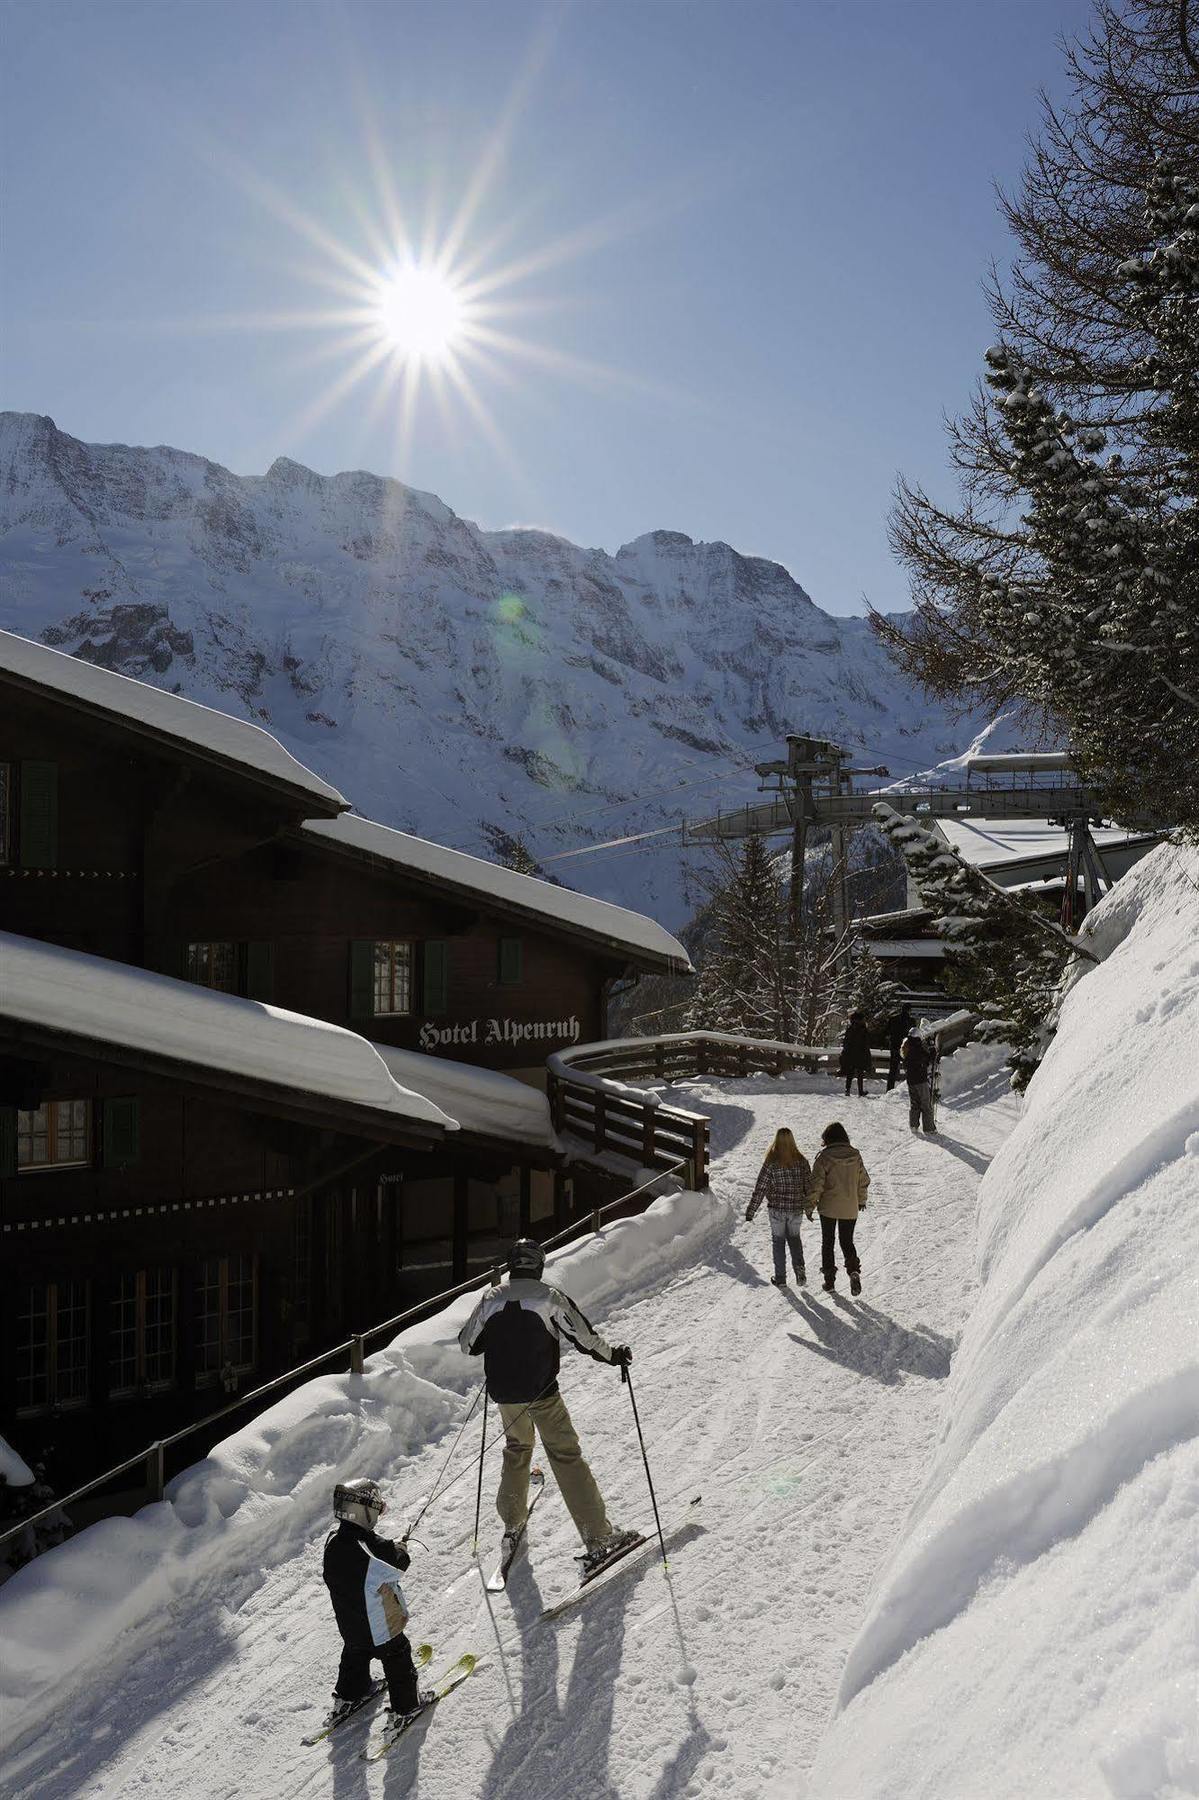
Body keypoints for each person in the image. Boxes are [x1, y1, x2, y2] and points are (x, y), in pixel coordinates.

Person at [458, 1239, 637, 1574]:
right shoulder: (548, 1297)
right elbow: (583, 1337)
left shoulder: (491, 1298)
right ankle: (599, 1537)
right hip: (542, 1393)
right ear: (539, 1265)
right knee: (565, 1455)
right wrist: (613, 1355)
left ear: (511, 1266)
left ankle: (512, 1525)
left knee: (517, 1448)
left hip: (505, 1395)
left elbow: (468, 1343)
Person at [322, 1477, 433, 1728]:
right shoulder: (371, 1548)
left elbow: (365, 1563)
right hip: (380, 1627)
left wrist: (388, 1548)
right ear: (364, 1511)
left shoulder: (332, 1542)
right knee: (397, 1656)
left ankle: (350, 1694)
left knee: (355, 1654)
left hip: (351, 1625)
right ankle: (406, 1708)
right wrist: (401, 1549)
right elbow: (398, 1565)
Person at [805, 1121, 870, 1295]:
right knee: (846, 1241)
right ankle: (853, 1271)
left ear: (827, 1138)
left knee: (828, 1242)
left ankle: (829, 1282)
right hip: (849, 1207)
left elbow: (816, 1184)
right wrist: (861, 1201)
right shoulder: (855, 1155)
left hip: (828, 1207)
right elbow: (863, 1180)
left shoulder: (824, 1157)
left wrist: (810, 1205)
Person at [745, 1126, 812, 1287]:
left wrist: (751, 1211)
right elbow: (809, 1187)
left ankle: (780, 1278)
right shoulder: (801, 1161)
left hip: (776, 1209)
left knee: (778, 1242)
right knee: (795, 1239)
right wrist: (809, 1209)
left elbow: (760, 1187)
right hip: (796, 1209)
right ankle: (799, 1269)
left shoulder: (771, 1161)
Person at [901, 1026, 936, 1133]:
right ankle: (929, 1129)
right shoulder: (917, 1047)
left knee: (914, 1103)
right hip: (920, 1080)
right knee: (926, 1104)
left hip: (911, 1080)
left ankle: (913, 1125)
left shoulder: (906, 1046)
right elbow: (926, 1059)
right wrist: (932, 1052)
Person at [838, 1011, 874, 1097]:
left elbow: (846, 1042)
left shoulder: (850, 1029)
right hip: (860, 1055)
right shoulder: (863, 1029)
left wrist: (845, 1053)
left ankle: (847, 1090)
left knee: (850, 1073)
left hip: (850, 1054)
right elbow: (866, 1044)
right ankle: (860, 1091)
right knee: (860, 1074)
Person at [886, 1004, 914, 1090]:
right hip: (906, 1048)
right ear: (909, 1010)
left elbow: (887, 1032)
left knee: (893, 1070)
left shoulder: (893, 1019)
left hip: (895, 1046)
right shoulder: (911, 1021)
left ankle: (889, 1089)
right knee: (910, 1069)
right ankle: (910, 1088)